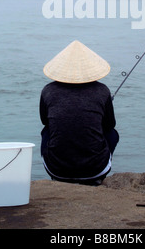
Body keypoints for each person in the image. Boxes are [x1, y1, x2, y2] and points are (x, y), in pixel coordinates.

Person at [39, 40, 119, 186]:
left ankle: (59, 176)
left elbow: (45, 121)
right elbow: (109, 125)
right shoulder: (102, 90)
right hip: (95, 170)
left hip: (57, 169)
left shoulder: (48, 90)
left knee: (46, 131)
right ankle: (98, 174)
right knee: (112, 133)